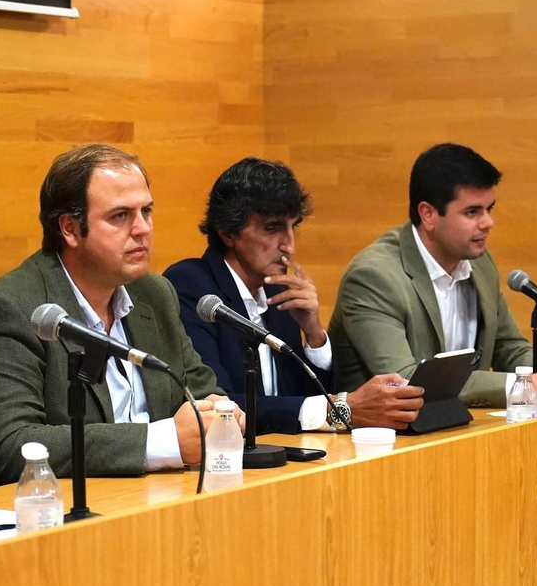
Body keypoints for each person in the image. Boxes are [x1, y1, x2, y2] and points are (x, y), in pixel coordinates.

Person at [0, 144, 225, 486]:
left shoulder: (154, 295)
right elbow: (13, 447)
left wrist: (223, 416)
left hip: (154, 503)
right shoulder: (7, 308)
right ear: (69, 228)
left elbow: (203, 392)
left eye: (147, 211)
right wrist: (164, 442)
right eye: (120, 216)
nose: (142, 229)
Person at [165, 157, 425, 433]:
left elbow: (304, 397)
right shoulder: (191, 286)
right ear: (229, 232)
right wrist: (339, 408)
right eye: (273, 228)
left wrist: (313, 333)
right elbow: (220, 404)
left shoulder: (279, 291)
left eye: (293, 226)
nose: (289, 245)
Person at [330, 143, 537, 408]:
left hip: (454, 430)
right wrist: (522, 388)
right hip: (381, 440)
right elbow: (405, 381)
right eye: (472, 212)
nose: (488, 222)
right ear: (429, 215)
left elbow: (508, 347)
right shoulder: (373, 277)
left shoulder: (479, 263)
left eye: (489, 209)